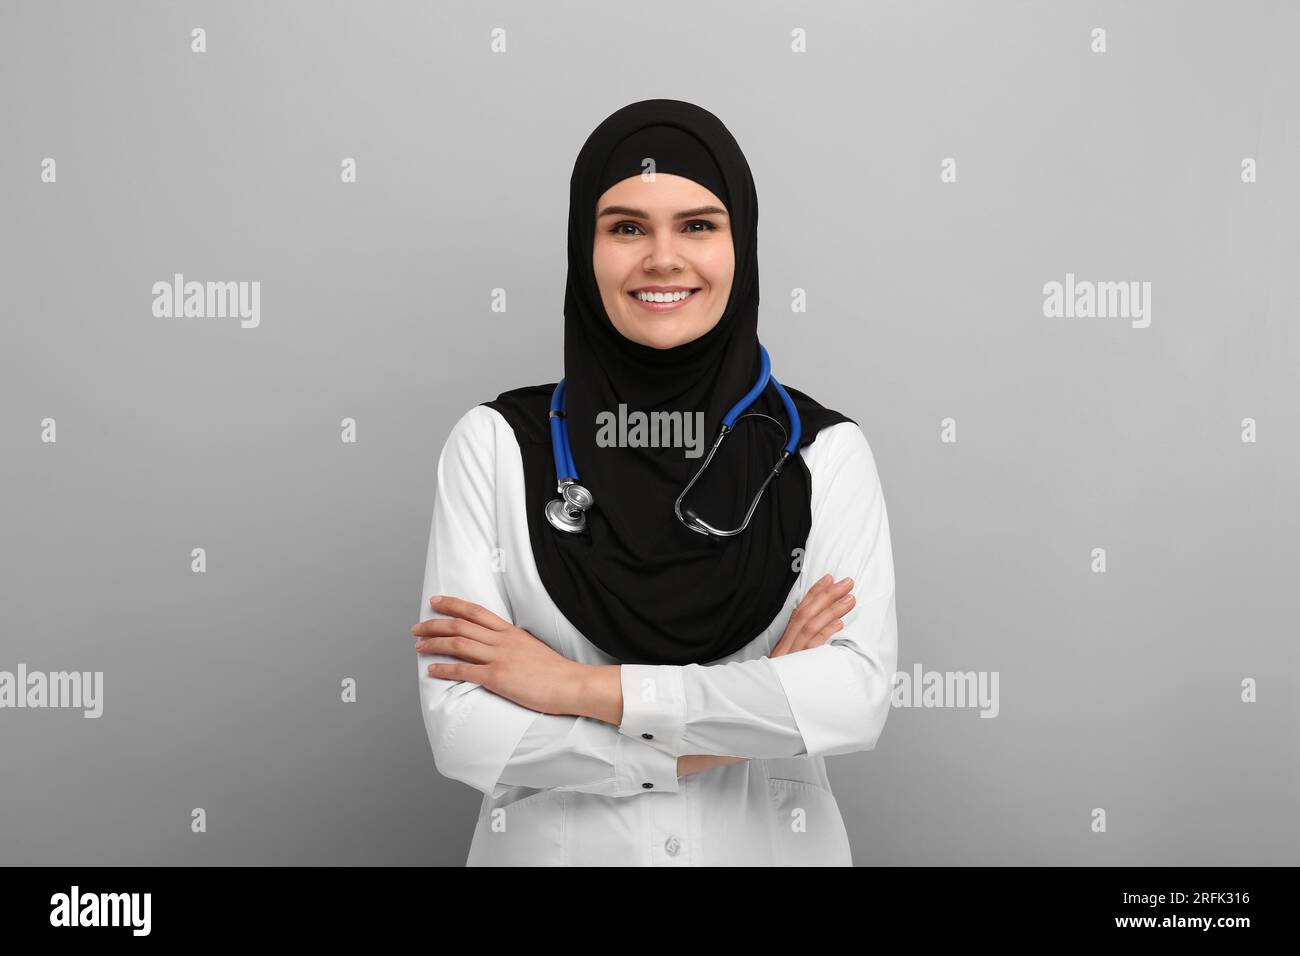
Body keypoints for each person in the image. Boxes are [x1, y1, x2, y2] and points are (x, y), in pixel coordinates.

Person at [413, 98, 898, 866]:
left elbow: (852, 698)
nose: (663, 258)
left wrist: (575, 689)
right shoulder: (498, 446)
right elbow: (465, 731)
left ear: (742, 244)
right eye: (626, 227)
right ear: (585, 246)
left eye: (698, 225)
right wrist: (759, 702)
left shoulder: (821, 452)